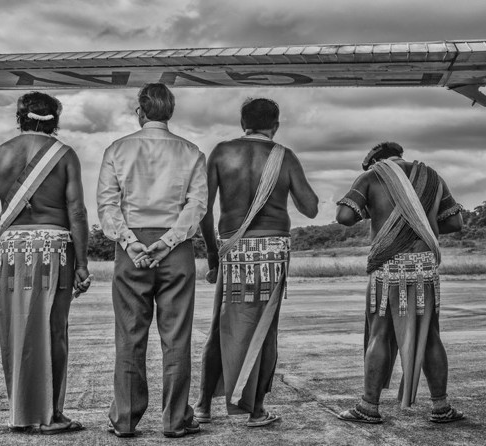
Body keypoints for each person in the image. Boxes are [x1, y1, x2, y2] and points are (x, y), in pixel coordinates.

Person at [193, 98, 319, 427]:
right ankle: (257, 410)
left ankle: (204, 406)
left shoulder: (221, 152)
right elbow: (310, 208)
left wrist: (211, 253)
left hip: (233, 250)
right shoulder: (284, 156)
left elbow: (203, 211)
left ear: (242, 123)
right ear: (275, 125)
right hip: (273, 252)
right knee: (265, 332)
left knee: (221, 328)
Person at [97, 83, 207, 438]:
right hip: (176, 251)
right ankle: (175, 420)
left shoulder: (117, 149)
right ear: (169, 112)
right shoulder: (191, 152)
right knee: (176, 337)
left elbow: (108, 206)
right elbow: (196, 206)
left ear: (140, 112)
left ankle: (125, 419)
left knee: (130, 335)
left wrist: (130, 243)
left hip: (132, 251)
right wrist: (168, 241)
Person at [0, 92, 91, 434]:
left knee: (15, 331)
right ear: (55, 119)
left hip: (12, 249)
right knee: (55, 330)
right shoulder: (65, 154)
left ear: (20, 117)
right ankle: (53, 414)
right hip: (55, 248)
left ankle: (22, 412)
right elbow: (76, 211)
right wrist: (83, 262)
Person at [336, 142, 465, 424]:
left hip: (388, 267)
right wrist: (420, 224)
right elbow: (455, 223)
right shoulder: (432, 177)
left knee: (379, 334)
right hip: (425, 268)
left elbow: (344, 216)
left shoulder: (372, 176)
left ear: (376, 161)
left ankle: (368, 407)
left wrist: (377, 213)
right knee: (430, 334)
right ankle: (441, 407)